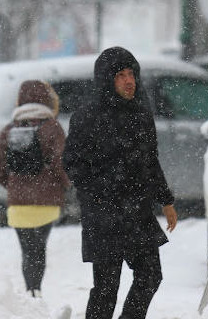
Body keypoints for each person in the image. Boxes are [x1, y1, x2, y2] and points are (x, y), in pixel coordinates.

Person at [63, 46, 178, 319]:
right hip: (103, 215)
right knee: (106, 288)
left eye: (131, 74)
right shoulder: (87, 116)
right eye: (120, 76)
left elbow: (150, 160)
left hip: (137, 211)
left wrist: (166, 200)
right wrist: (99, 193)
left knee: (150, 275)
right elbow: (72, 164)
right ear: (107, 80)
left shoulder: (141, 113)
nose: (129, 81)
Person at [0, 80, 70, 298]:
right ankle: (36, 291)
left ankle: (30, 291)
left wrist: (14, 186)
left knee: (27, 250)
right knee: (39, 248)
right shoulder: (52, 128)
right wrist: (64, 186)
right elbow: (61, 164)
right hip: (46, 203)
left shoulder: (9, 129)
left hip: (18, 205)